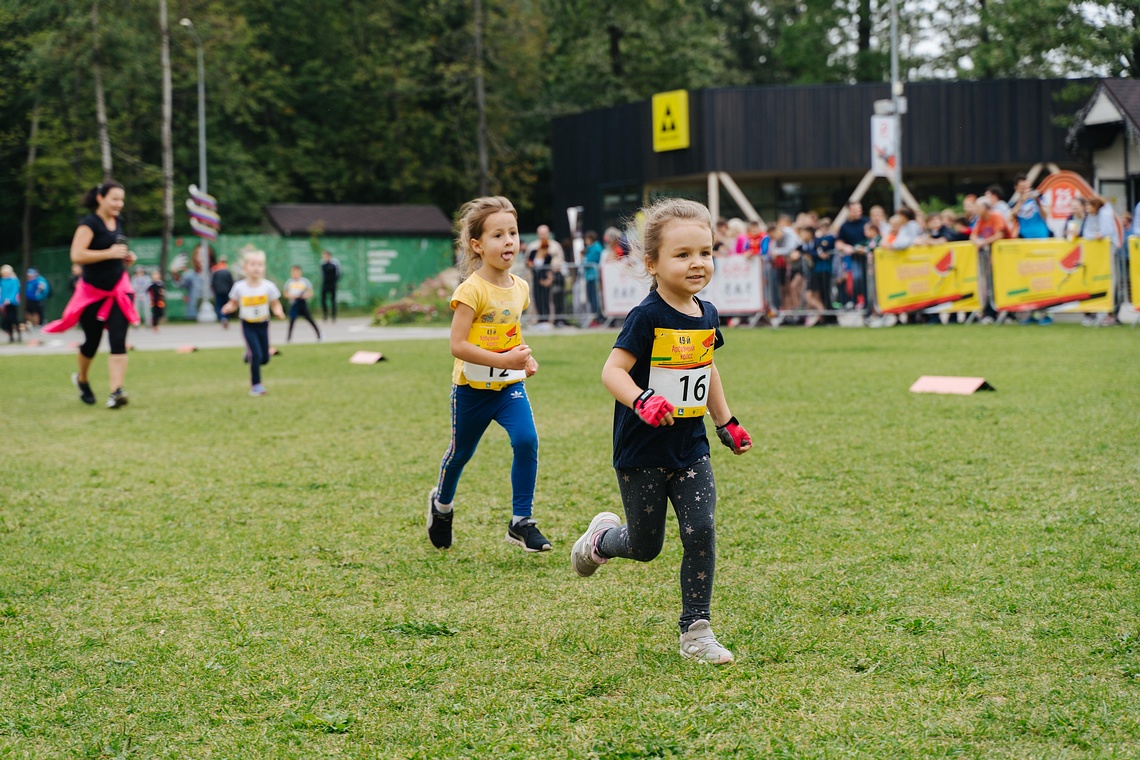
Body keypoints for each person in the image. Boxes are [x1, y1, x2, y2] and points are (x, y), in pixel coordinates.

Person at [570, 198, 752, 664]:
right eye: (683, 254)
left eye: (706, 252)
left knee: (701, 530)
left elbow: (706, 368)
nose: (698, 263)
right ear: (651, 263)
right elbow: (612, 372)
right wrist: (642, 399)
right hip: (641, 451)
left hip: (690, 449)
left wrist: (725, 421)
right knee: (645, 545)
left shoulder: (707, 313)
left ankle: (696, 631)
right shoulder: (646, 317)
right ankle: (599, 542)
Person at [427, 196, 549, 554]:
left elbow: (512, 333)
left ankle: (521, 521)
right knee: (460, 453)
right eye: (498, 235)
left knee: (526, 440)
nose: (509, 241)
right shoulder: (471, 290)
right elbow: (458, 345)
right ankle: (442, 505)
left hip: (508, 387)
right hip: (472, 390)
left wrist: (524, 359)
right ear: (477, 245)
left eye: (512, 232)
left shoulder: (521, 288)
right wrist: (505, 360)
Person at [44, 180, 138, 408]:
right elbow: (77, 255)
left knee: (118, 341)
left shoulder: (119, 221)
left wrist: (126, 258)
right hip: (92, 294)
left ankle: (116, 392)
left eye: (121, 199)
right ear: (100, 198)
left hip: (118, 291)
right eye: (115, 199)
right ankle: (82, 379)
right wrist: (109, 253)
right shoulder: (89, 224)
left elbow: (115, 253)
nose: (119, 204)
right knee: (92, 343)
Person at [220, 246, 285, 396]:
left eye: (260, 265)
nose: (257, 268)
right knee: (256, 355)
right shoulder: (239, 287)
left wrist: (278, 311)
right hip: (248, 324)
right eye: (253, 265)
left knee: (264, 359)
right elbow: (233, 303)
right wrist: (228, 308)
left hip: (263, 324)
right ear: (245, 268)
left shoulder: (268, 287)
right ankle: (256, 386)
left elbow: (275, 303)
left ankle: (247, 355)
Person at [525, 224, 566, 324]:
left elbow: (559, 261)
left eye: (544, 233)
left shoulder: (555, 246)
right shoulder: (533, 246)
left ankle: (552, 319)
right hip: (535, 278)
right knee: (537, 299)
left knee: (551, 300)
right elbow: (528, 262)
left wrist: (551, 274)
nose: (542, 235)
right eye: (540, 233)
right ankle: (538, 319)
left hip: (552, 278)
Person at [284, 265, 322, 342]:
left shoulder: (304, 282)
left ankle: (319, 335)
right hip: (294, 304)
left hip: (302, 304)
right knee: (292, 321)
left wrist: (304, 296)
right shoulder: (289, 282)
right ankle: (289, 338)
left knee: (310, 320)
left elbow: (310, 293)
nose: (295, 274)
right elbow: (285, 293)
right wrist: (292, 296)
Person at [1010, 176, 1053, 240]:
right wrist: (1021, 201)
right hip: (1024, 238)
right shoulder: (1015, 203)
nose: (1024, 189)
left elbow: (1046, 215)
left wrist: (1037, 201)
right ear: (1016, 188)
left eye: (1026, 185)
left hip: (1042, 236)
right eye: (1022, 187)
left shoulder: (1040, 197)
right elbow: (1010, 217)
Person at [582, 230, 603, 325]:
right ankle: (595, 317)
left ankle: (597, 318)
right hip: (589, 276)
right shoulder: (591, 248)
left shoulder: (596, 248)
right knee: (591, 299)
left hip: (593, 277)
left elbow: (588, 261)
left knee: (595, 299)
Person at [211, 256, 235, 328]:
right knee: (226, 305)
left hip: (218, 291)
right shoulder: (227, 272)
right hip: (227, 291)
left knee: (219, 306)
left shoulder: (216, 272)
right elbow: (231, 282)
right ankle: (226, 318)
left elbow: (213, 283)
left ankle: (222, 318)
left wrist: (214, 290)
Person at [0, 265, 21, 343]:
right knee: (5, 322)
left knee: (13, 319)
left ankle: (18, 334)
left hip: (12, 303)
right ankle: (11, 336)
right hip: (4, 304)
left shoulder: (14, 280)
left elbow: (15, 291)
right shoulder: (2, 281)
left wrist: (9, 299)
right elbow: (1, 292)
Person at [319, 250, 341, 322]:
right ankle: (325, 314)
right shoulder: (322, 263)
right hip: (325, 283)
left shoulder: (335, 263)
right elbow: (322, 274)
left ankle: (333, 315)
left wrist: (335, 282)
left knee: (333, 299)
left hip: (332, 283)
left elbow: (338, 273)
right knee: (323, 299)